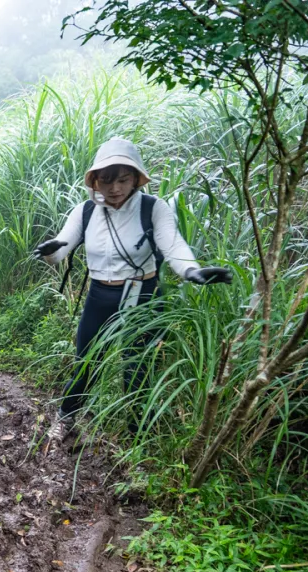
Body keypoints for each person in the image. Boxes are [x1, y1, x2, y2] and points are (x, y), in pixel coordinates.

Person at [32, 137, 231, 442]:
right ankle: (67, 419)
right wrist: (49, 250)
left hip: (144, 298)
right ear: (95, 181)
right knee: (86, 363)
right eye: (107, 180)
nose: (115, 189)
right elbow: (60, 249)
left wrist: (192, 270)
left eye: (123, 180)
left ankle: (138, 438)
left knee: (137, 370)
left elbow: (172, 243)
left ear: (136, 178)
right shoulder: (85, 212)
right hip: (100, 296)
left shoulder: (153, 208)